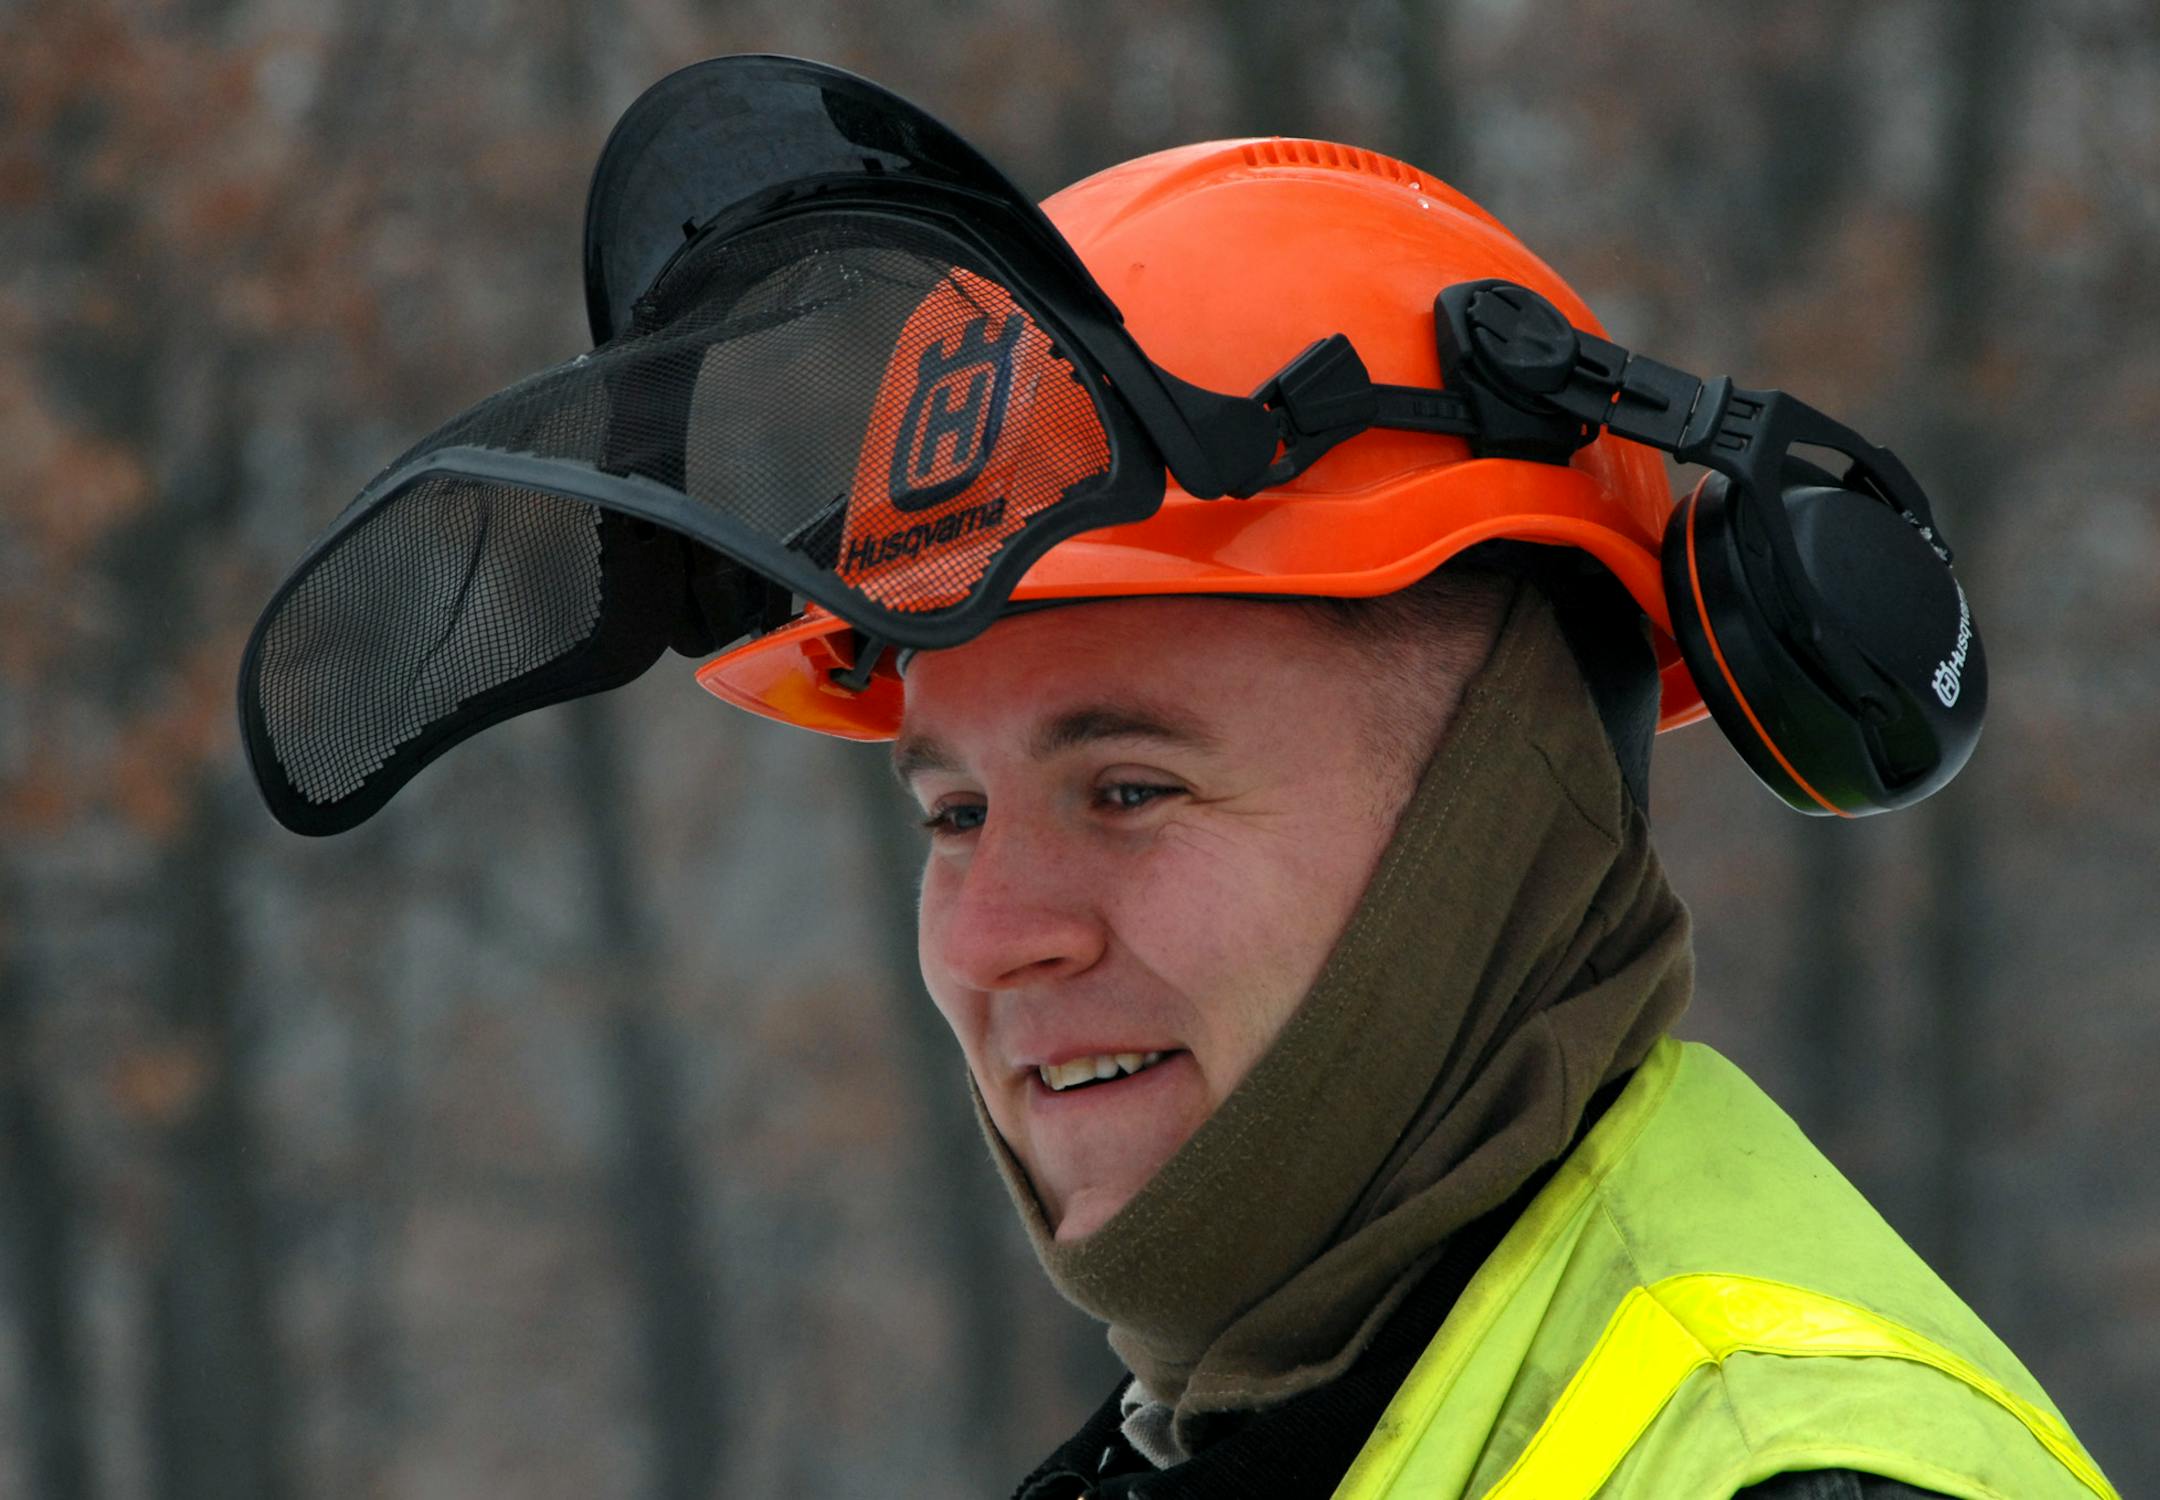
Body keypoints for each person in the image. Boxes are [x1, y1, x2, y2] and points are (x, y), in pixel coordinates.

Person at [240, 57, 2117, 1499]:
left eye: (1129, 788)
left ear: (1499, 801)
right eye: (950, 812)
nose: (993, 939)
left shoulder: (1791, 1466)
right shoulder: (1263, 1424)